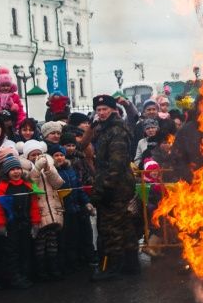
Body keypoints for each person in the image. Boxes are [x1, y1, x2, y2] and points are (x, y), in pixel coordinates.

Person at [90, 94, 139, 281]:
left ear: (113, 110)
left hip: (115, 186)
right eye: (99, 110)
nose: (101, 113)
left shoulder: (116, 130)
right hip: (116, 184)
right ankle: (131, 264)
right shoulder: (104, 129)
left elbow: (116, 164)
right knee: (125, 225)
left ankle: (112, 267)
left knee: (111, 227)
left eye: (105, 110)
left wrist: (104, 189)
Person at [0, 156, 41, 289]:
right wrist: (0, 224)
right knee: (12, 252)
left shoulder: (28, 185)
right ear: (7, 172)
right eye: (12, 169)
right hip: (10, 225)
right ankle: (14, 277)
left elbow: (34, 205)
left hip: (26, 223)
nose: (16, 172)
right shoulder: (1, 187)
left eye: (18, 168)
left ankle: (25, 274)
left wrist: (36, 222)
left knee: (25, 249)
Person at [25, 140, 65, 281]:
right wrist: (36, 169)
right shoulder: (26, 170)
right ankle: (41, 270)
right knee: (40, 243)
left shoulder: (50, 166)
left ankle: (53, 267)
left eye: (38, 154)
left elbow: (58, 184)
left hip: (53, 209)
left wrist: (48, 169)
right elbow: (31, 186)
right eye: (33, 155)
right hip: (39, 211)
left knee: (53, 242)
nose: (36, 157)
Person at [53, 147, 94, 273]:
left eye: (61, 155)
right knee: (64, 240)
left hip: (74, 208)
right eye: (56, 155)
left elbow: (78, 188)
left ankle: (75, 262)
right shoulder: (52, 171)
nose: (59, 157)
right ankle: (66, 264)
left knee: (74, 237)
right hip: (61, 210)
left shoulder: (70, 170)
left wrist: (86, 202)